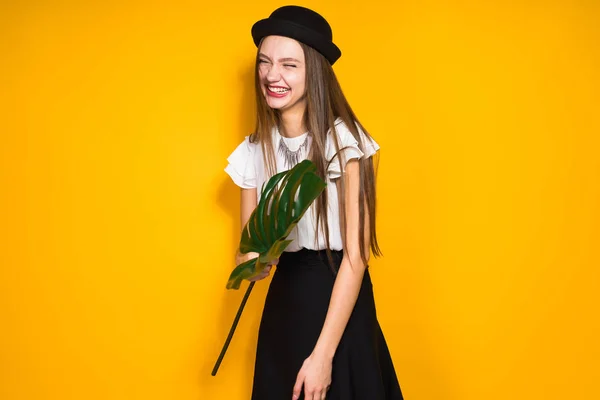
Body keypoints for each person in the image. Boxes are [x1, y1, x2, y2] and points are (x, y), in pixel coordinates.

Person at [224, 5, 404, 400]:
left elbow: (356, 257)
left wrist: (323, 355)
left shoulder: (344, 143)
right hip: (286, 301)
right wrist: (254, 265)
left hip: (339, 299)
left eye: (289, 65)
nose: (272, 76)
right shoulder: (253, 151)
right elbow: (249, 251)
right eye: (265, 63)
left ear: (315, 72)